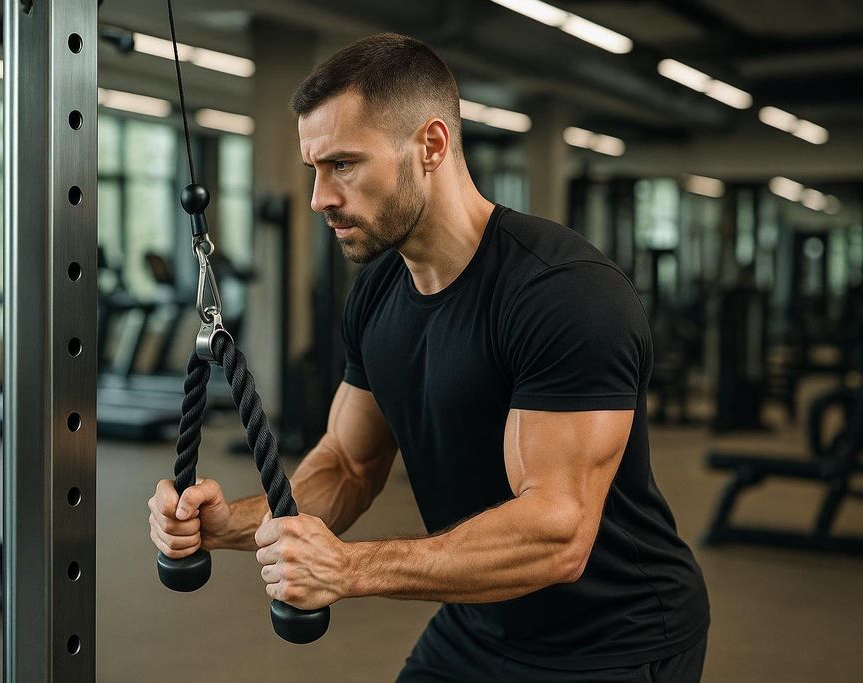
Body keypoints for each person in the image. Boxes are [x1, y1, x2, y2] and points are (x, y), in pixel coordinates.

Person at [148, 33, 710, 682]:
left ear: (432, 146)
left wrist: (350, 568)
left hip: (613, 638)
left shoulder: (564, 294)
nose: (319, 199)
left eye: (345, 165)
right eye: (315, 170)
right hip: (476, 621)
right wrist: (230, 523)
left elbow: (558, 532)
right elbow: (350, 464)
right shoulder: (379, 292)